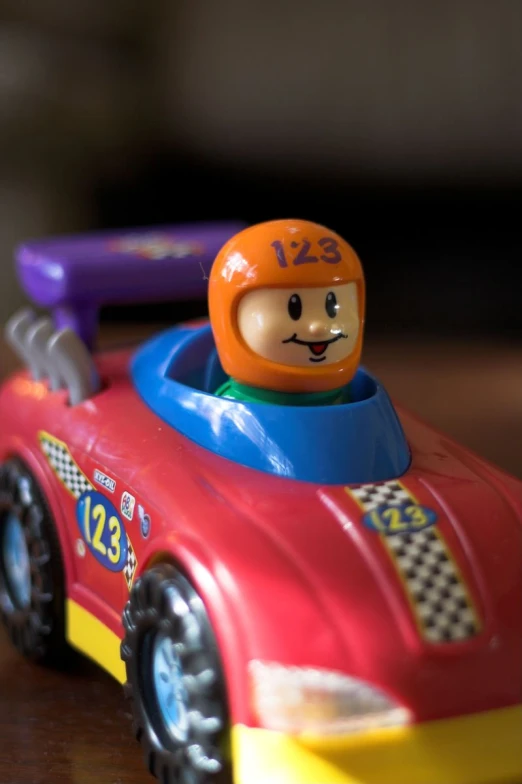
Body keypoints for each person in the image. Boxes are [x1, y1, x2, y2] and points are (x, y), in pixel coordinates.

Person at [208, 218, 365, 405]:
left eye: (332, 308)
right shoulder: (231, 405)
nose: (318, 326)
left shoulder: (356, 395)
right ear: (230, 319)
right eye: (294, 310)